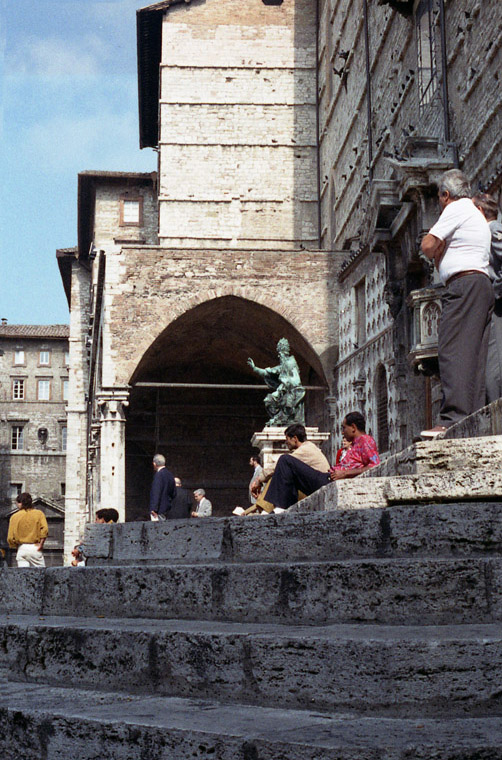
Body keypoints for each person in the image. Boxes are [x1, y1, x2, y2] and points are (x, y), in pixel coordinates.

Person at [421, 169, 493, 437]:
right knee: (473, 355)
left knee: (451, 350)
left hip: (462, 286)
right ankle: (470, 418)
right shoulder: (475, 211)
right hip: (480, 285)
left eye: (439, 198)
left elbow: (428, 246)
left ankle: (451, 418)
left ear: (445, 194)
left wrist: (438, 250)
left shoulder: (455, 208)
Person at [250, 422, 331, 512]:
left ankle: (272, 509)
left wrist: (259, 480)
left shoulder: (306, 449)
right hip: (315, 484)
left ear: (295, 438)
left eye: (287, 439)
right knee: (281, 474)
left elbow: (275, 466)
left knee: (284, 460)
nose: (286, 442)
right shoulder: (306, 448)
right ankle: (267, 509)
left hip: (320, 484)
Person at [472, 193, 502, 402]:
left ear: (480, 212)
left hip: (496, 304)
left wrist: (495, 292)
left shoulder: (492, 229)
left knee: (494, 362)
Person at [247, 338, 305, 426]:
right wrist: (254, 368)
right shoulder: (282, 366)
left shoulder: (290, 364)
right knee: (268, 400)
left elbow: (295, 381)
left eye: (280, 354)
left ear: (283, 354)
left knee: (286, 402)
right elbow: (267, 372)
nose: (278, 356)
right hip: (283, 390)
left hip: (292, 391)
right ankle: (279, 418)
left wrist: (287, 387)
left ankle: (285, 419)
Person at [329, 412, 380, 480]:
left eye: (344, 428)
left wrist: (345, 473)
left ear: (353, 427)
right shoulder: (355, 444)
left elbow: (375, 465)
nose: (342, 432)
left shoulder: (364, 440)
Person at [7, 492, 49, 568]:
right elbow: (44, 529)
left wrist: (15, 546)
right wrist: (41, 544)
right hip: (35, 546)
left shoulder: (14, 517)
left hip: (22, 547)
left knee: (24, 575)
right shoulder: (39, 514)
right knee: (41, 574)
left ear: (20, 503)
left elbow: (10, 537)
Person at [149, 454, 176, 521]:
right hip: (167, 509)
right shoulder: (170, 475)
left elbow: (156, 492)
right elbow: (174, 493)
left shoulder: (158, 475)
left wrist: (154, 509)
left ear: (154, 464)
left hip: (158, 510)